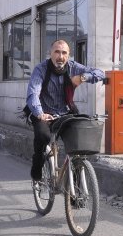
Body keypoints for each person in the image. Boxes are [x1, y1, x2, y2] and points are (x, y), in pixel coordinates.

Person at [26, 39, 105, 182]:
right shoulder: (41, 69)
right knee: (43, 137)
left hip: (66, 112)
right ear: (50, 53)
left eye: (64, 53)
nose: (60, 56)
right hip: (44, 113)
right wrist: (40, 113)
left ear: (68, 55)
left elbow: (100, 73)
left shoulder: (73, 67)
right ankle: (37, 167)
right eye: (57, 52)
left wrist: (83, 77)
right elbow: (33, 94)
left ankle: (76, 189)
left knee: (78, 145)